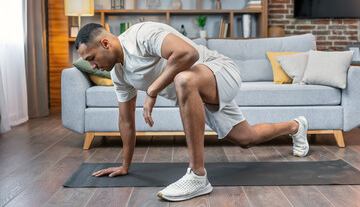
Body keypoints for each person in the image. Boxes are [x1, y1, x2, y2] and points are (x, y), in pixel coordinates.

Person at [75, 21, 309, 202]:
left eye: (91, 58)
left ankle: (197, 176)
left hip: (219, 71)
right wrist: (125, 165)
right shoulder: (119, 75)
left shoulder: (141, 35)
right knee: (246, 139)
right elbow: (125, 121)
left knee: (184, 80)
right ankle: (295, 126)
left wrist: (153, 90)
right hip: (196, 93)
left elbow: (189, 54)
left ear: (105, 43)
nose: (93, 66)